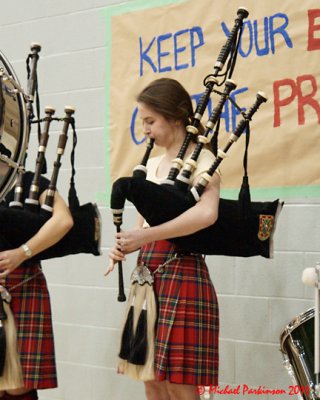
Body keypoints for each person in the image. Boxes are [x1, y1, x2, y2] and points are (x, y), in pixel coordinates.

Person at [107, 78, 220, 400]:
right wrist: (127, 243)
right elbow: (144, 222)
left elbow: (206, 215)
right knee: (151, 380)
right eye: (143, 121)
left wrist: (147, 235)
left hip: (183, 274)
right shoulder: (151, 165)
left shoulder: (204, 159)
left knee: (179, 384)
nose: (145, 129)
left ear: (174, 116)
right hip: (149, 277)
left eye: (150, 121)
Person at [0, 171, 73, 400]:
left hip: (23, 283)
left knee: (18, 385)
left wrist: (23, 252)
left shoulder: (30, 181)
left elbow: (64, 220)